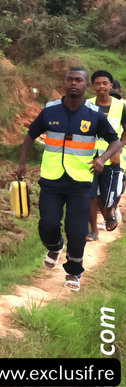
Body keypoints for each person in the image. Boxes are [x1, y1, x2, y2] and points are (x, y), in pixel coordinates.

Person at [15, 67, 122, 292]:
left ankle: (74, 271)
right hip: (52, 179)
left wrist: (102, 158)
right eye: (69, 79)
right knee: (48, 224)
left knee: (76, 229)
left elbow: (115, 141)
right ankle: (55, 247)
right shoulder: (50, 110)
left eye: (78, 80)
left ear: (86, 86)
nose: (73, 83)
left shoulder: (94, 114)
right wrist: (22, 163)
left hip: (81, 181)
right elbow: (30, 136)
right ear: (64, 83)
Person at [86, 70, 125, 240]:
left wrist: (118, 149)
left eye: (105, 83)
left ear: (111, 85)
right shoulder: (86, 105)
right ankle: (93, 230)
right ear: (93, 86)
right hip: (89, 157)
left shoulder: (121, 106)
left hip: (112, 158)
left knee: (110, 194)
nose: (101, 87)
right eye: (98, 83)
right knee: (91, 194)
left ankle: (108, 213)